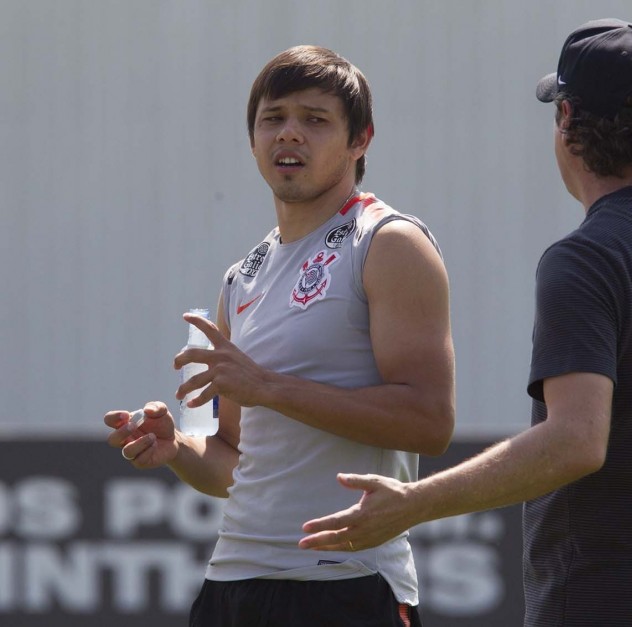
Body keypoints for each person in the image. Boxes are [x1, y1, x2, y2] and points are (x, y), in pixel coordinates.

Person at [297, 19, 632, 627]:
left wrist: (411, 504)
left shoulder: (588, 257)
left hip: (611, 606)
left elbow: (574, 441)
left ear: (568, 120)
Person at [104, 45, 454, 627]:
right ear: (252, 139)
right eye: (273, 119)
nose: (289, 134)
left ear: (360, 139)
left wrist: (269, 386)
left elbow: (430, 422)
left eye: (315, 120)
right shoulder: (243, 274)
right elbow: (233, 462)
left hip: (346, 583)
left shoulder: (389, 243)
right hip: (231, 583)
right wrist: (177, 449)